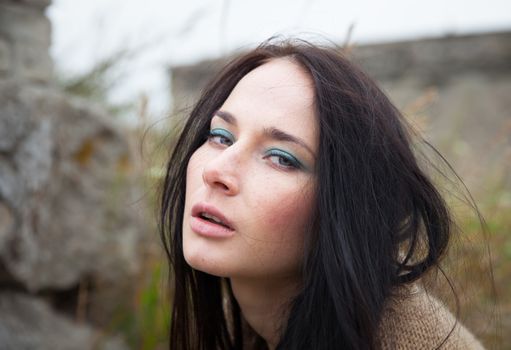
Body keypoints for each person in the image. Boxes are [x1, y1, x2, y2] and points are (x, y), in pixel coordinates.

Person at [159, 39, 486, 349]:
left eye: (281, 158)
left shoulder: (409, 340)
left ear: (344, 208)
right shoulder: (241, 320)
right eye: (220, 136)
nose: (215, 171)